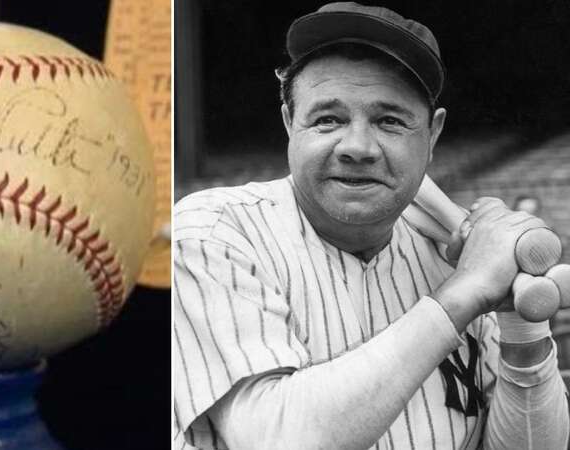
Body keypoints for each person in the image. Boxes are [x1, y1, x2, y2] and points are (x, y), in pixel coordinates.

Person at [172, 3, 569, 449]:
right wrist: (461, 296)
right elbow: (276, 439)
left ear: (432, 135)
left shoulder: (456, 258)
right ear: (289, 124)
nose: (357, 147)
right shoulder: (214, 232)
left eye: (389, 121)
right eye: (328, 119)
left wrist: (521, 327)